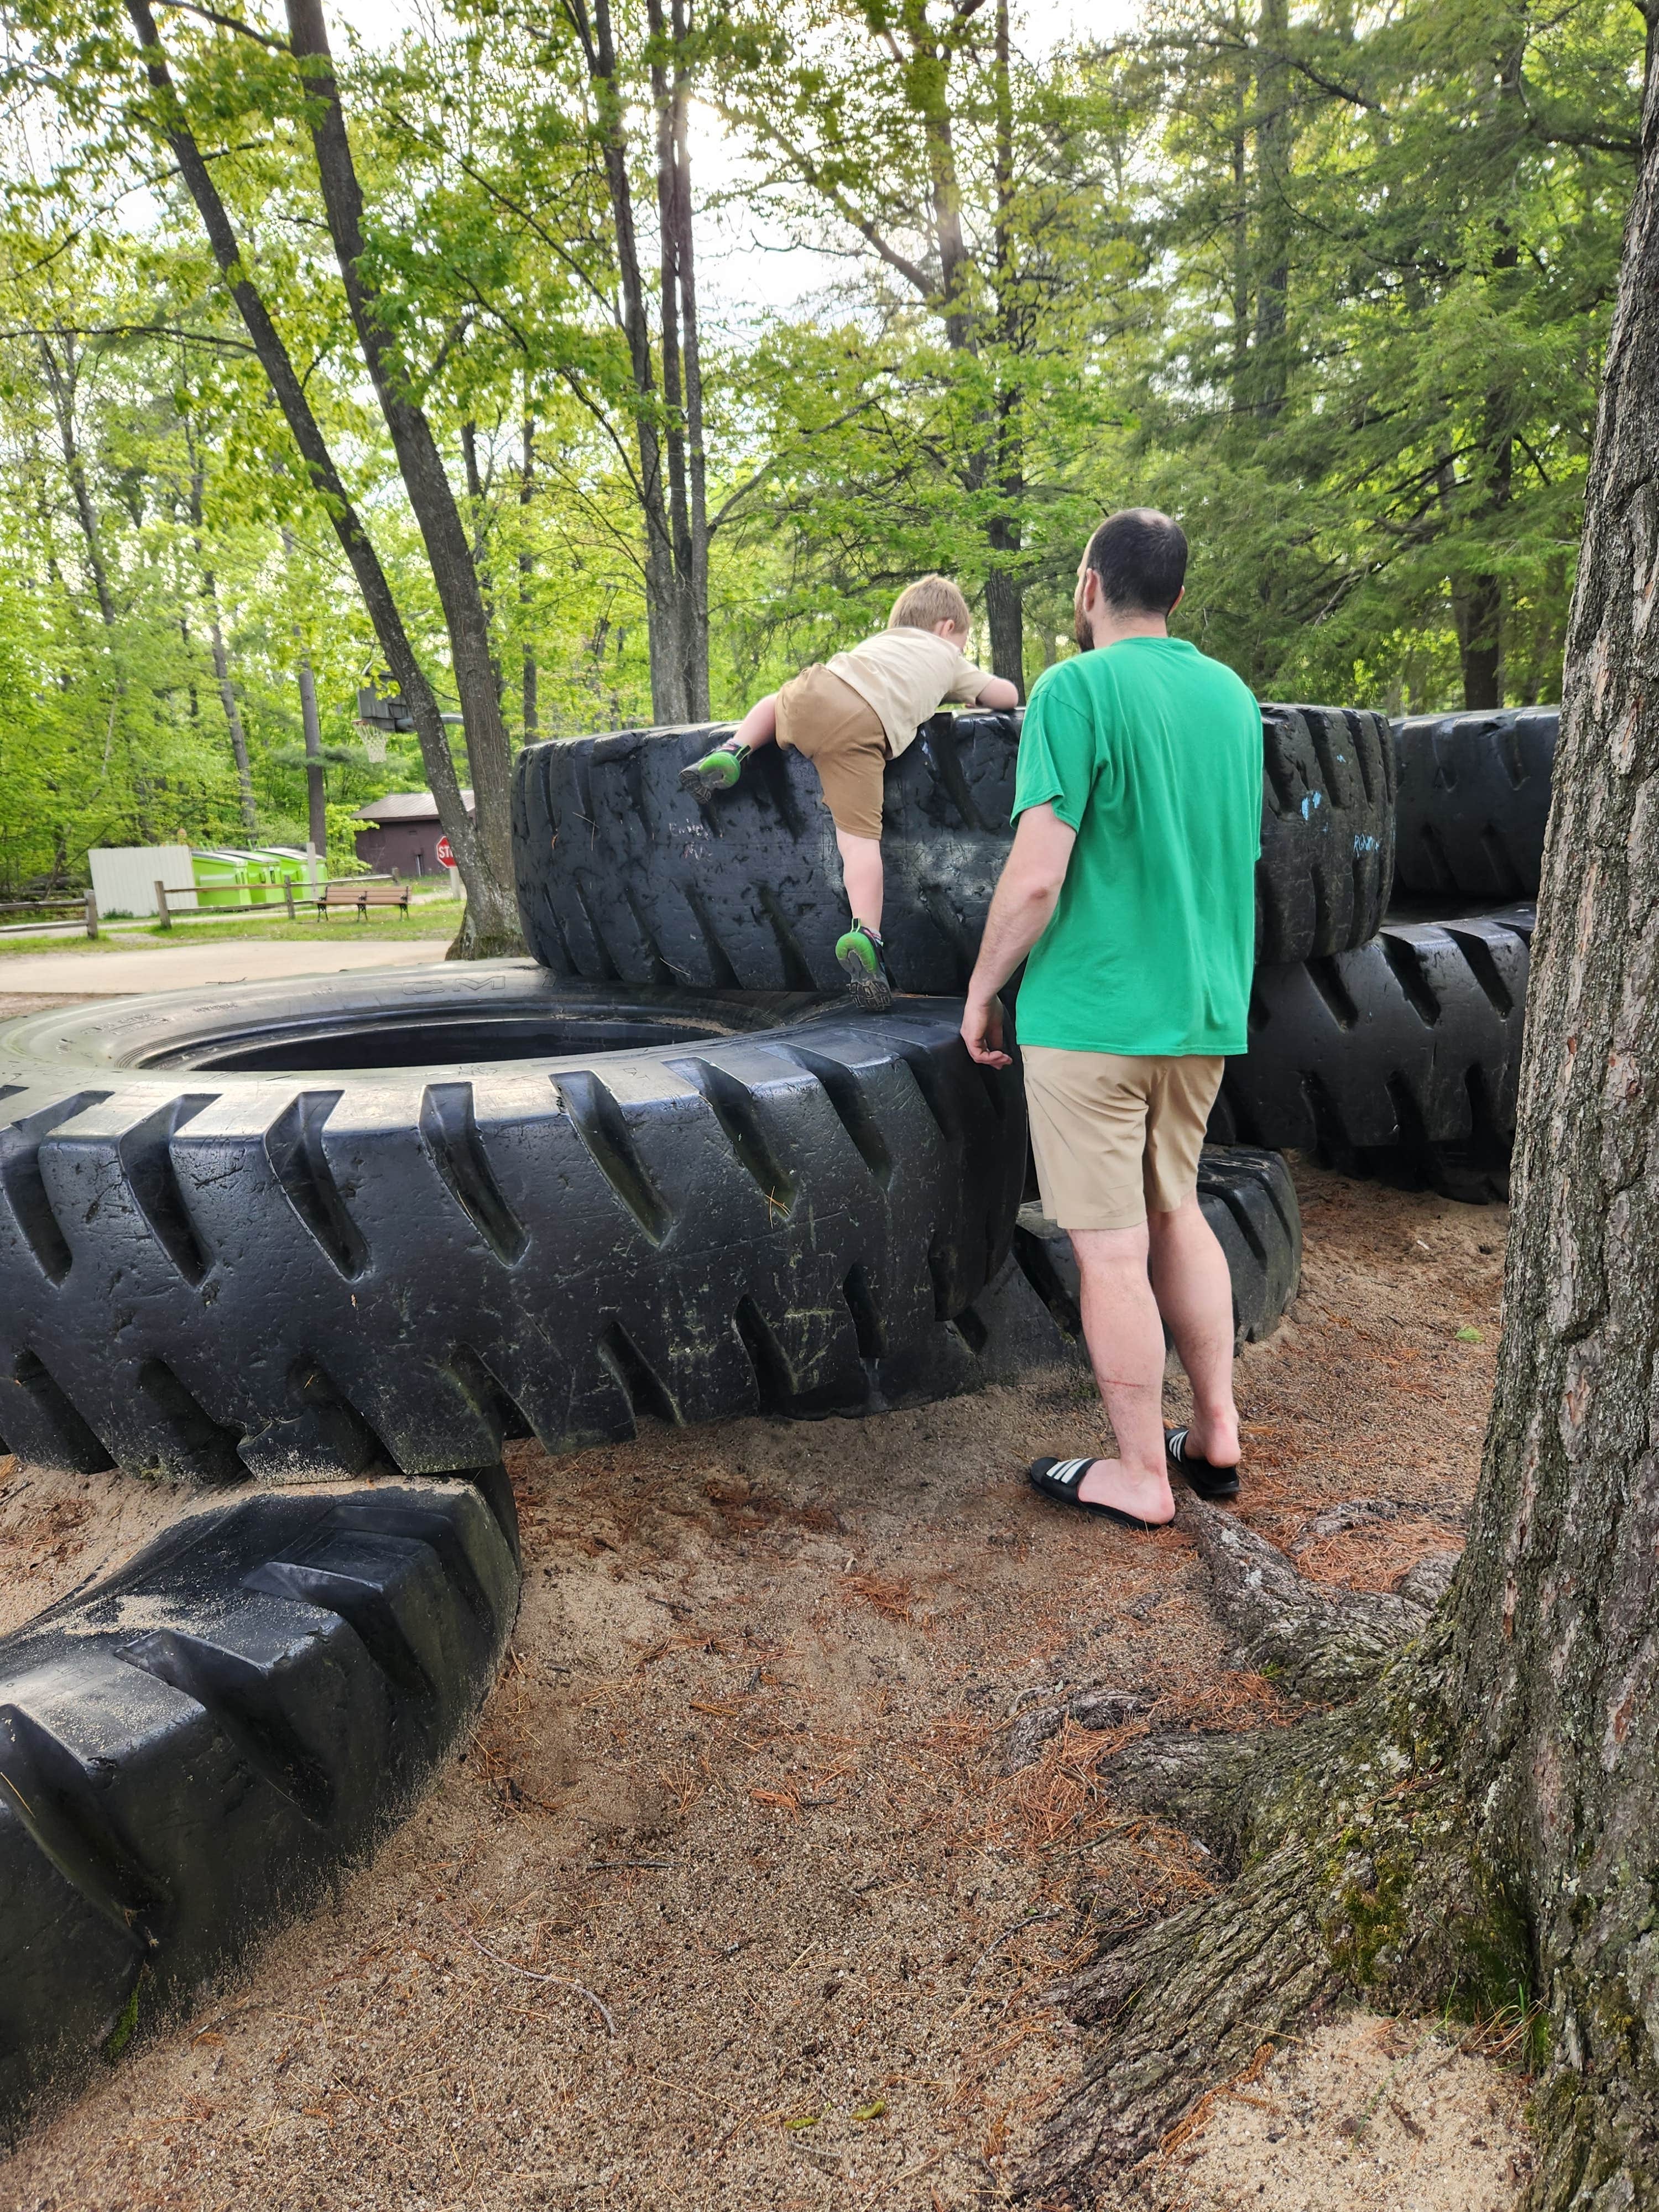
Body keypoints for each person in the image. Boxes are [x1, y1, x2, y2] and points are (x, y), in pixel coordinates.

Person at [961, 509, 1262, 1530]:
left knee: (1110, 1250)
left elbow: (1039, 875)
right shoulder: (1229, 696)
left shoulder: (1073, 690)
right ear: (1176, 595)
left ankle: (1140, 1473)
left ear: (1089, 586)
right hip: (1204, 1010)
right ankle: (1215, 1436)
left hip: (1091, 1016)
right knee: (1179, 1209)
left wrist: (982, 985)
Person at [680, 576, 1020, 1010]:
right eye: (961, 640)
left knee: (774, 702)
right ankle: (866, 936)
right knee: (859, 846)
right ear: (945, 627)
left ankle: (733, 751)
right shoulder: (946, 657)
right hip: (860, 728)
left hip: (817, 689)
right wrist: (971, 693)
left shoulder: (881, 642)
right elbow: (1006, 696)